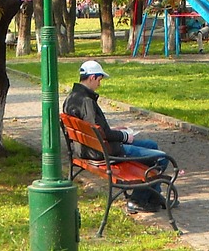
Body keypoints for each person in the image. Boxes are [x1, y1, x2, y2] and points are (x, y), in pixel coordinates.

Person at [62, 59, 174, 213]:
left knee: (151, 146)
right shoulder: (87, 101)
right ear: (92, 77)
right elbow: (103, 134)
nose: (99, 85)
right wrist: (124, 136)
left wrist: (114, 130)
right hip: (104, 152)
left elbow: (96, 129)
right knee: (161, 157)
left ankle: (153, 195)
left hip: (88, 148)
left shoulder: (72, 97)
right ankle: (138, 200)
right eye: (99, 80)